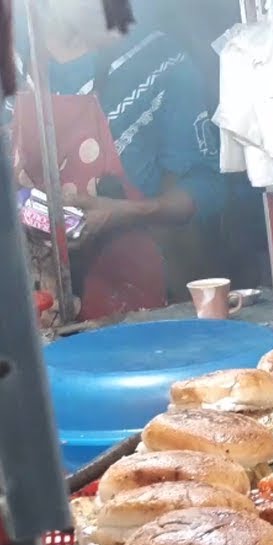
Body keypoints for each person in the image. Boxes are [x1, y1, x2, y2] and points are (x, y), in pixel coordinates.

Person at [8, 0, 224, 320]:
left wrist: (128, 211)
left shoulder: (158, 59)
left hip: (129, 302)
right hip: (22, 305)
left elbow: (210, 186)